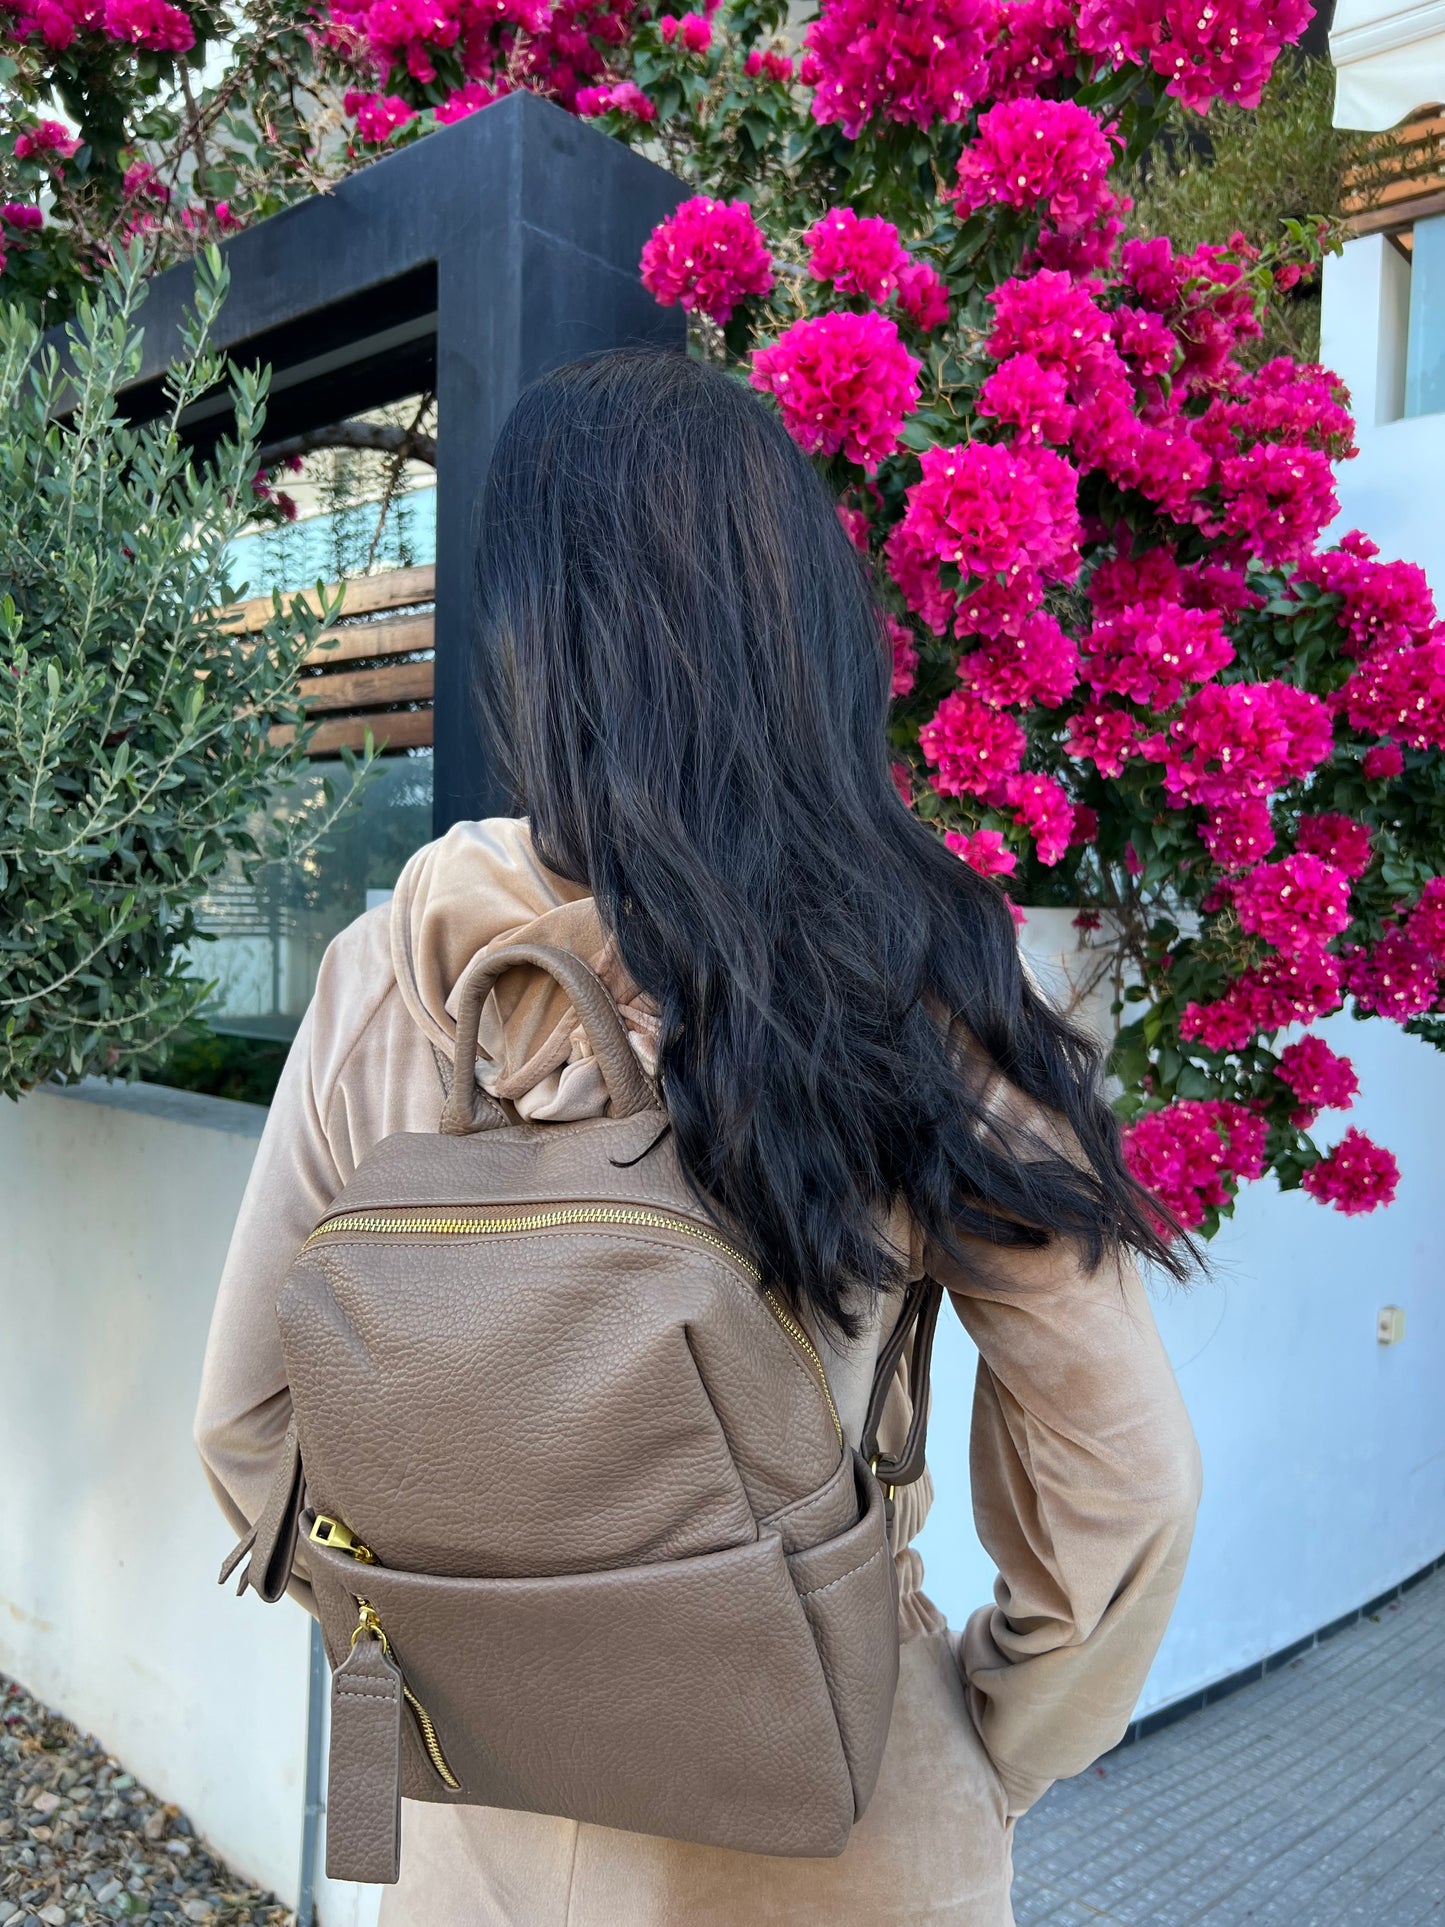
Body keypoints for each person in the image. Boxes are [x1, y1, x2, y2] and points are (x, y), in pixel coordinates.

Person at [195, 348, 1201, 1925]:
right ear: (803, 633)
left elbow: (249, 1431)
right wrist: (984, 1744)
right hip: (833, 1815)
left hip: (481, 1838)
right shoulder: (911, 984)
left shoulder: (396, 970)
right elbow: (1123, 1487)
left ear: (529, 643)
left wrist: (467, 1647)